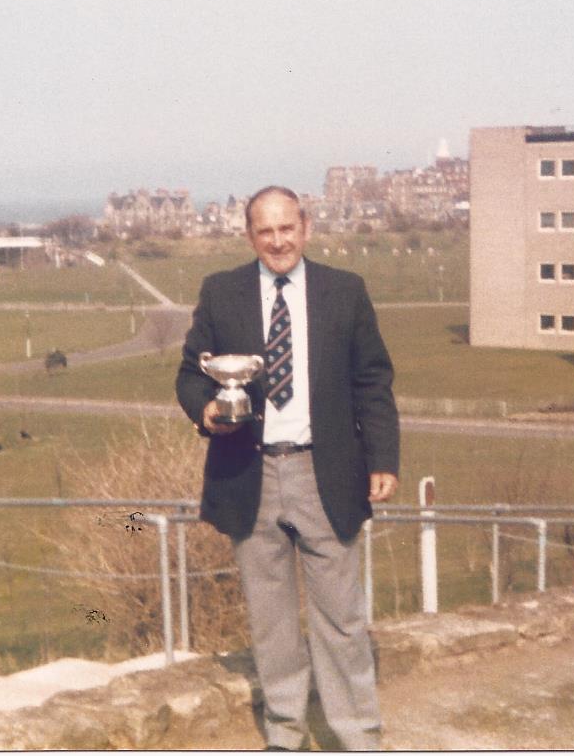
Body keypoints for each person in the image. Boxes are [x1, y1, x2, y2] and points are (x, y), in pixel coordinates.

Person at [175, 186, 399, 751]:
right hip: (250, 476)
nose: (278, 240)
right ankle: (285, 733)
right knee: (272, 624)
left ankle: (358, 736)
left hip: (327, 475)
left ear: (306, 226)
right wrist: (206, 407)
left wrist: (383, 460)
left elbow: (372, 380)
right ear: (250, 236)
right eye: (265, 231)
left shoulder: (344, 291)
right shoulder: (221, 293)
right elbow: (190, 373)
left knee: (342, 620)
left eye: (287, 228)